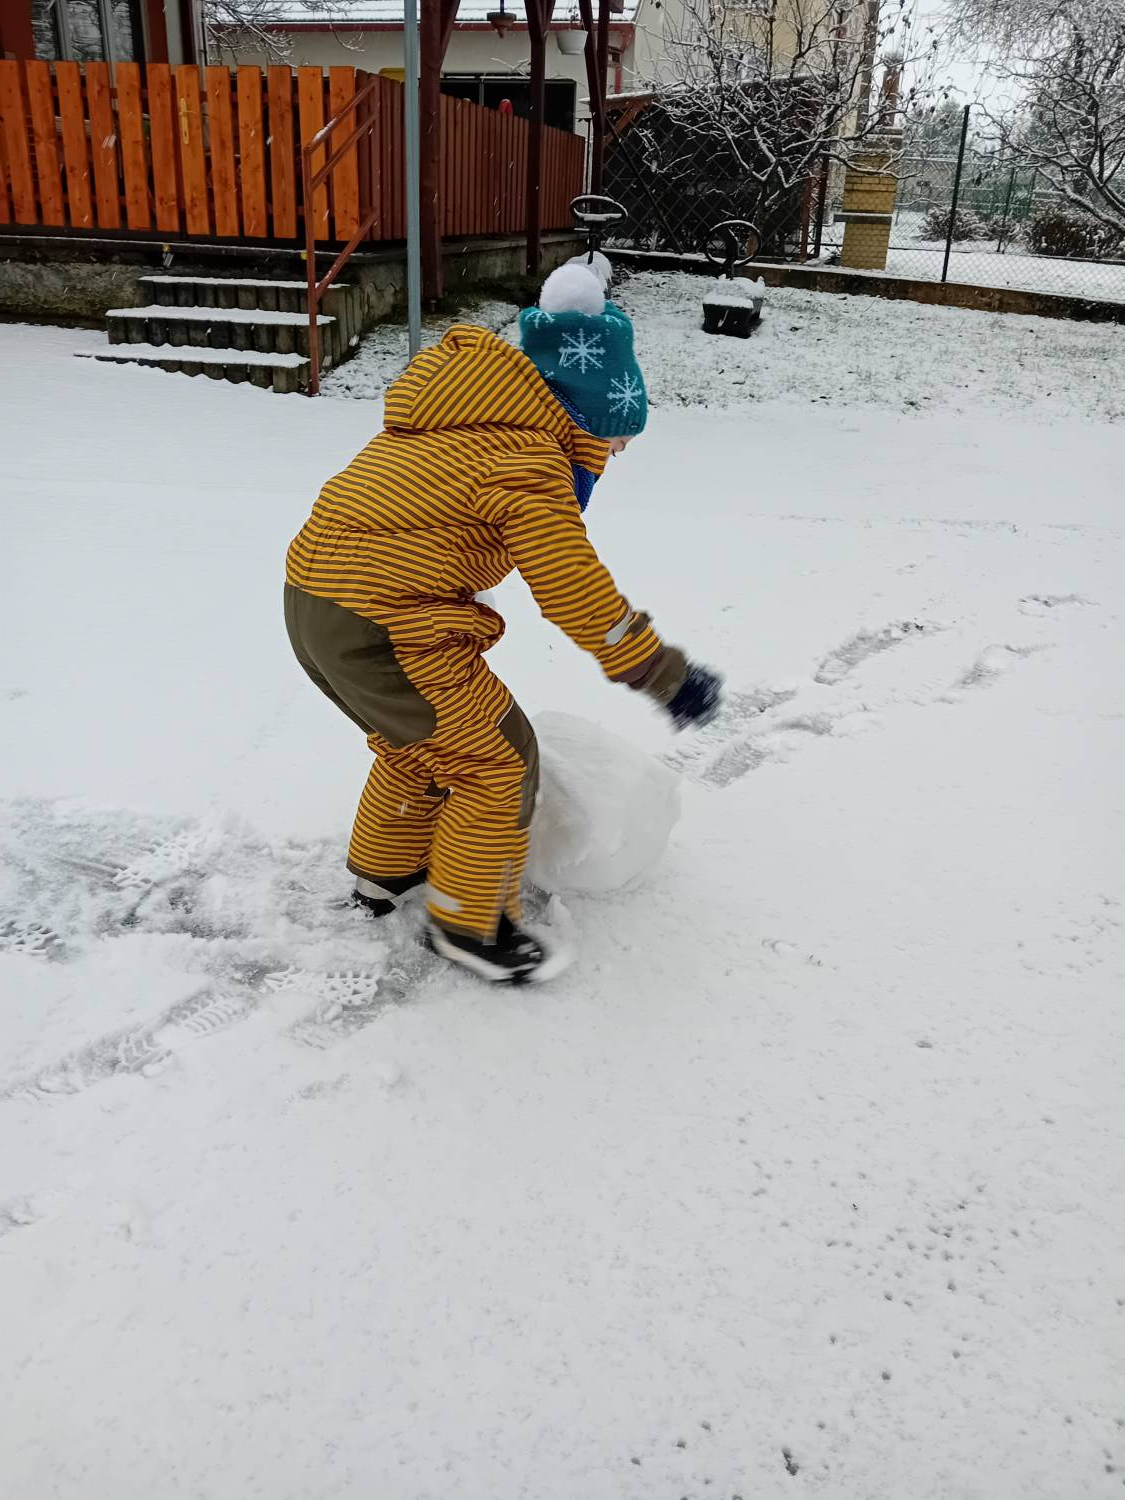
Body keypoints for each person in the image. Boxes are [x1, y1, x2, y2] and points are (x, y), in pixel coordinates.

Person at [283, 262, 722, 984]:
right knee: (497, 761)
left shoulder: (454, 424)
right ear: (583, 416)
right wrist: (660, 673)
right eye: (616, 438)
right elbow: (572, 586)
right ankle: (467, 923)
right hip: (386, 627)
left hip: (313, 606)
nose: (617, 454)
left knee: (418, 744)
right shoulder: (527, 459)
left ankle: (384, 873)